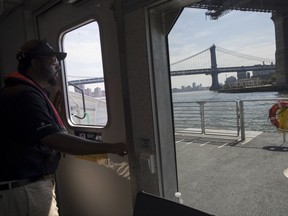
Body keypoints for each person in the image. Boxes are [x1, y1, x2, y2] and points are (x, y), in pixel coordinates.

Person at [0, 39, 127, 216]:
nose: (58, 66)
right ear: (35, 64)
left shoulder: (24, 92)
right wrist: (111, 147)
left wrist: (51, 116)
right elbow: (55, 140)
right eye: (53, 61)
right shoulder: (24, 95)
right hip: (26, 192)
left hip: (26, 189)